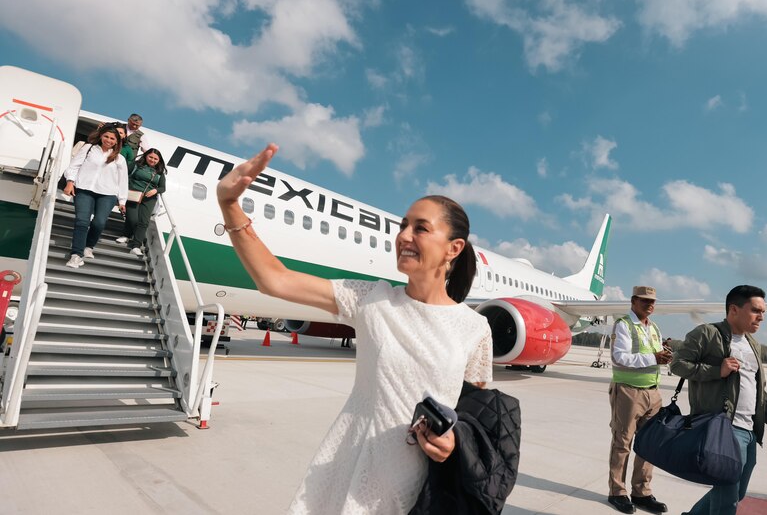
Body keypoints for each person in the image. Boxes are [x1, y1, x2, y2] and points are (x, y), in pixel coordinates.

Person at [217, 144, 493, 514]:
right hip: (347, 465)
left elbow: (473, 418)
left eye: (421, 228)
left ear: (453, 248)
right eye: (403, 225)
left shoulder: (475, 328)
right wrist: (229, 205)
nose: (404, 236)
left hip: (417, 484)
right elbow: (275, 279)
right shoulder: (371, 299)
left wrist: (454, 442)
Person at [671, 285, 767, 515]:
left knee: (736, 492)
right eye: (755, 310)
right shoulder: (706, 334)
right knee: (726, 501)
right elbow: (677, 364)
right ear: (734, 309)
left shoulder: (753, 344)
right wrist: (717, 371)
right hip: (723, 428)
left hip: (749, 430)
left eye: (763, 311)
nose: (761, 317)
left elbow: (758, 389)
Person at [607, 286, 671, 514]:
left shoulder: (653, 327)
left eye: (653, 301)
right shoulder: (624, 324)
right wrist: (654, 357)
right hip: (629, 392)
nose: (650, 305)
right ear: (633, 301)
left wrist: (663, 353)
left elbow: (652, 356)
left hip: (653, 392)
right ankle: (617, 491)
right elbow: (619, 357)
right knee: (622, 442)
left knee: (648, 444)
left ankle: (641, 492)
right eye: (645, 301)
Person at [63, 123, 128, 268]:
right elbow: (74, 166)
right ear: (101, 136)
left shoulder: (119, 159)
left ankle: (89, 246)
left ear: (117, 141)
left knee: (99, 222)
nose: (109, 140)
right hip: (84, 189)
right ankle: (76, 255)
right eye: (106, 136)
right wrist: (70, 182)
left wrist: (122, 201)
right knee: (82, 221)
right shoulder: (88, 148)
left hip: (107, 194)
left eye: (112, 138)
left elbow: (123, 181)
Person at [116, 148, 167, 256]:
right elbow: (123, 176)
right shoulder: (136, 165)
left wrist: (155, 190)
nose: (152, 160)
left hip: (149, 198)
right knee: (133, 219)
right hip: (133, 195)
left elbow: (163, 188)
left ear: (159, 160)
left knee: (144, 222)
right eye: (151, 157)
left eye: (155, 159)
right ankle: (126, 235)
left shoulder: (159, 172)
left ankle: (136, 246)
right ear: (146, 156)